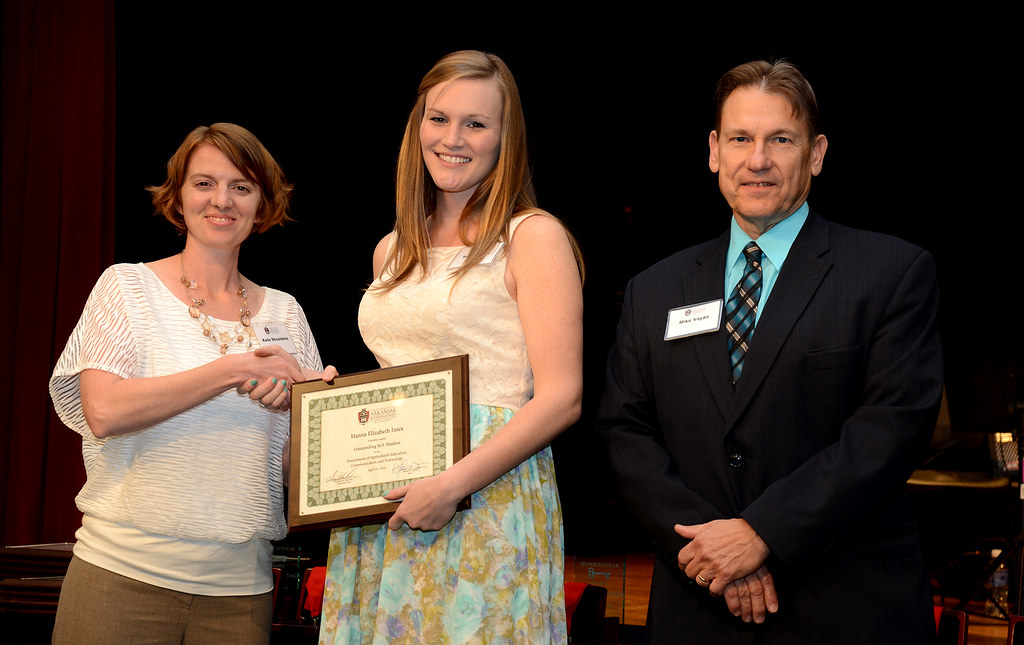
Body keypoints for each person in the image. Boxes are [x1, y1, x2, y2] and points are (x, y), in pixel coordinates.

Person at [596, 60, 943, 644]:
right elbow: (624, 432)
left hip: (843, 605)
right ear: (714, 151)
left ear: (816, 153)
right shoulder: (654, 290)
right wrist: (712, 549)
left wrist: (762, 533)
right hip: (697, 605)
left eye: (780, 140)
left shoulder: (891, 273)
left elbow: (891, 430)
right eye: (740, 139)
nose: (757, 160)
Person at [317, 50, 584, 644]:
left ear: (505, 138)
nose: (453, 138)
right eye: (438, 119)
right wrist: (338, 405)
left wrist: (450, 485)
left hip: (483, 499)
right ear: (418, 126)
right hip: (384, 505)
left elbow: (562, 398)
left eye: (476, 123)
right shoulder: (392, 250)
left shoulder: (533, 236)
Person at [49, 122, 334, 644]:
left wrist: (315, 411)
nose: (222, 200)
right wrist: (232, 370)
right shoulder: (127, 286)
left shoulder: (287, 313)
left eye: (241, 187)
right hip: (120, 580)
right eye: (205, 183)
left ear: (262, 205)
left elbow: (299, 474)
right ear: (178, 197)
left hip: (241, 595)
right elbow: (104, 412)